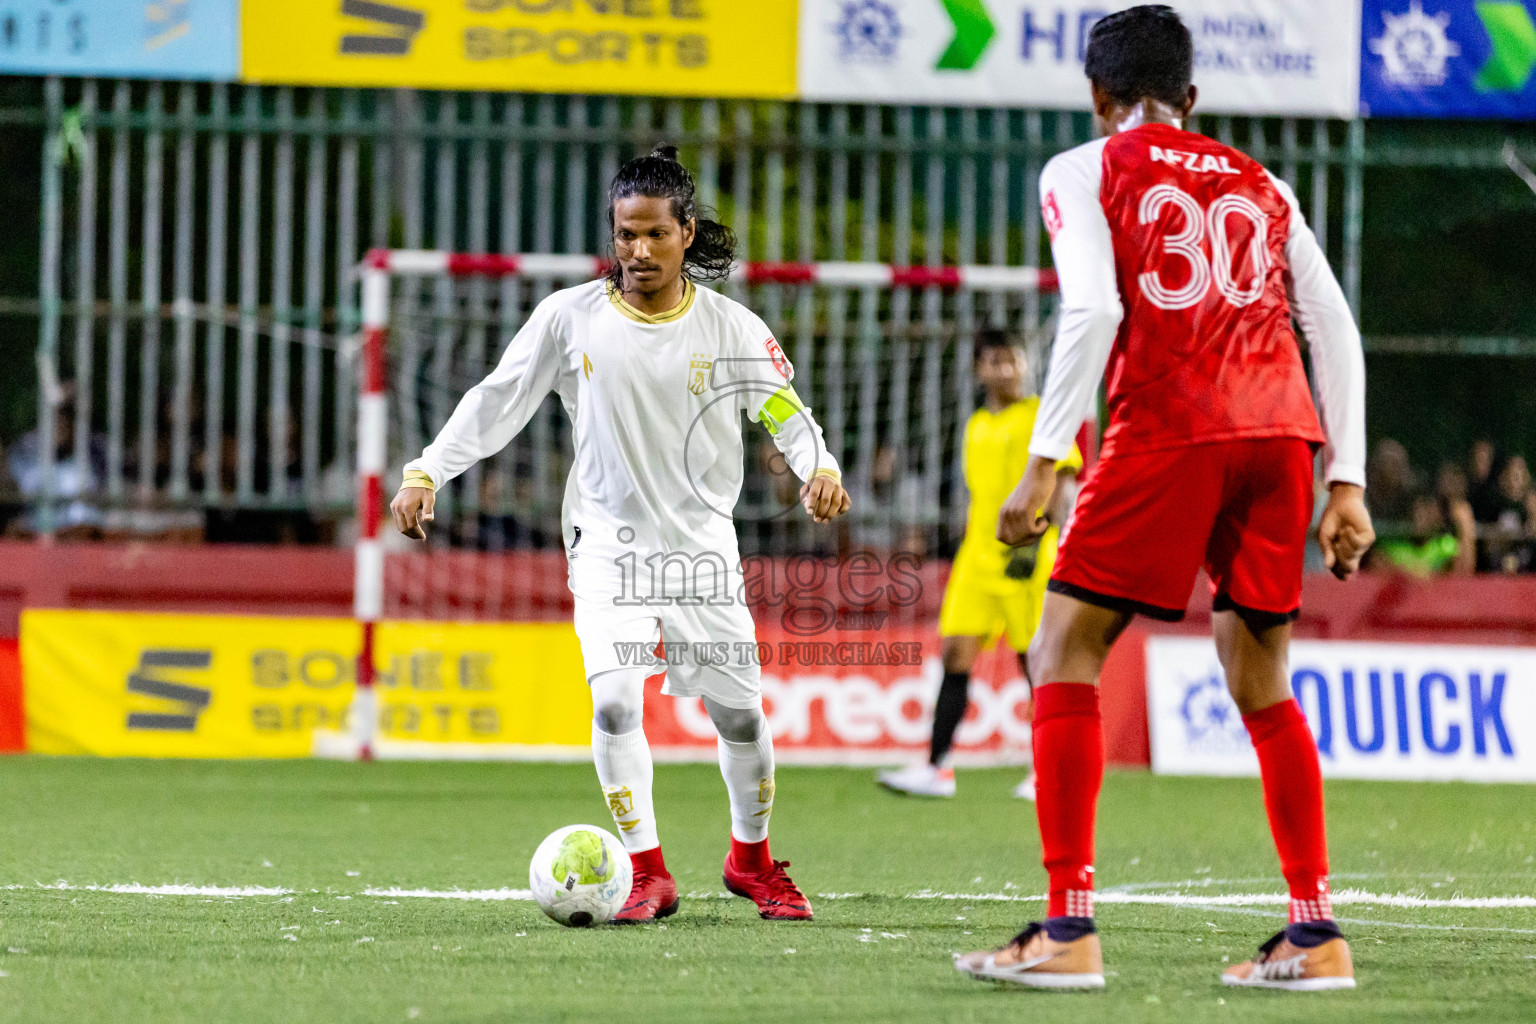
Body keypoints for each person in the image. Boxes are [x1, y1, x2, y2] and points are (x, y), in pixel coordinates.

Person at [955, 6, 1373, 991]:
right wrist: (1344, 479)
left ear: (1098, 99)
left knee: (1064, 650)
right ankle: (1315, 934)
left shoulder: (1085, 167)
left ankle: (1066, 926)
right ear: (1193, 99)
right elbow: (1336, 327)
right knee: (1260, 672)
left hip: (1172, 425)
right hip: (1282, 434)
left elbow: (1096, 306)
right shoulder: (1263, 183)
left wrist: (1046, 458)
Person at [391, 146, 850, 924]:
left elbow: (781, 413)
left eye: (653, 236)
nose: (637, 252)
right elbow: (498, 400)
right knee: (613, 705)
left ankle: (753, 860)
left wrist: (819, 466)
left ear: (686, 234)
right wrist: (427, 469)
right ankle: (647, 872)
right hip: (607, 546)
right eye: (624, 235)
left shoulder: (731, 327)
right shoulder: (570, 317)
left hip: (703, 551)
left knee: (740, 718)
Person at [877, 330, 1080, 800]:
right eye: (995, 362)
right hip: (977, 558)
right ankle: (936, 767)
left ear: (1025, 365)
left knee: (1037, 663)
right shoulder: (974, 426)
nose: (1006, 370)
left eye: (1013, 360)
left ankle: (1047, 771)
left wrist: (1040, 538)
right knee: (955, 655)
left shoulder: (1042, 417)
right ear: (979, 370)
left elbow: (1065, 483)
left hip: (1027, 557)